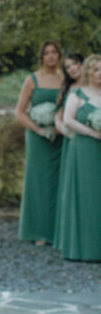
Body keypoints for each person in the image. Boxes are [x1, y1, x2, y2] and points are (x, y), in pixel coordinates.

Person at [15, 40, 63, 244]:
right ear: (41, 57)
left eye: (54, 52)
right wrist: (39, 130)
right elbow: (19, 112)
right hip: (38, 137)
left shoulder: (64, 78)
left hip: (59, 136)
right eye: (47, 53)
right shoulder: (32, 79)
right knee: (39, 182)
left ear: (59, 55)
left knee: (59, 181)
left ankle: (57, 231)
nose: (51, 56)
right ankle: (38, 231)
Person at [56, 54, 101, 261]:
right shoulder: (78, 93)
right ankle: (83, 248)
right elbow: (68, 120)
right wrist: (93, 133)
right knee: (86, 195)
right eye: (96, 70)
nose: (99, 74)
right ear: (89, 72)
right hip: (84, 149)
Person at [52, 53, 84, 248]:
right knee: (69, 188)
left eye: (75, 65)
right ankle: (68, 236)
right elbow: (60, 114)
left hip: (90, 138)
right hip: (71, 141)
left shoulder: (93, 87)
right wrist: (63, 128)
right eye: (68, 67)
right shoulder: (69, 89)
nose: (72, 69)